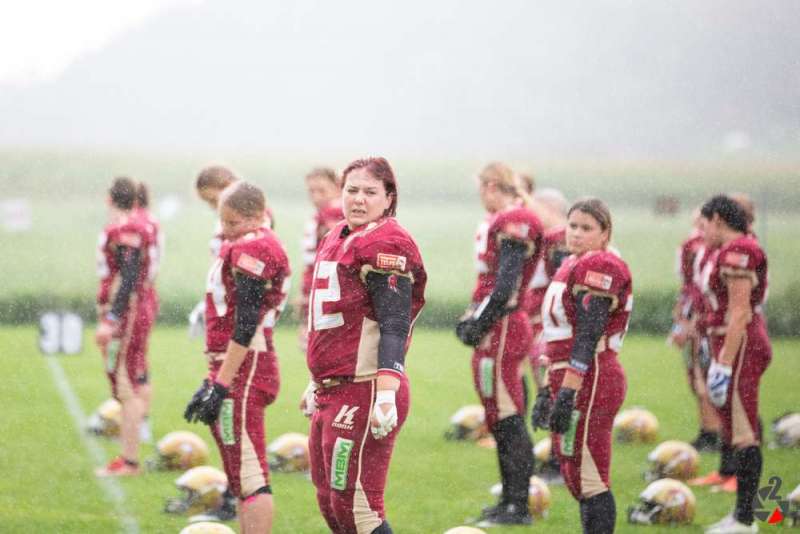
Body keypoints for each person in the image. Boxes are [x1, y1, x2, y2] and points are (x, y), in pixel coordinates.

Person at [302, 157, 427, 534]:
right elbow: (337, 323)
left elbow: (393, 322)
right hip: (335, 388)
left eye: (370, 192)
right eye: (351, 190)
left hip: (367, 387)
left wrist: (386, 394)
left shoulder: (386, 241)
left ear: (389, 198)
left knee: (358, 507)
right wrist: (316, 379)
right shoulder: (337, 234)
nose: (358, 199)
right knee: (331, 503)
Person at [184, 181, 290, 534]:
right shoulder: (245, 244)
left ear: (258, 216)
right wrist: (211, 379)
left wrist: (221, 384)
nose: (226, 231)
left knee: (251, 474)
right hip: (234, 366)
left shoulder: (256, 246)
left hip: (246, 367)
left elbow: (245, 323)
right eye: (223, 223)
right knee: (239, 475)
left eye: (233, 223)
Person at [455, 162, 543, 526]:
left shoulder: (515, 219)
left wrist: (480, 322)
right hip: (499, 324)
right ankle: (509, 499)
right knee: (498, 415)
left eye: (481, 189)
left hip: (505, 325)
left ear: (492, 186)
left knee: (507, 416)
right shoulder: (506, 219)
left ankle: (517, 504)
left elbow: (505, 286)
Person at [542, 198, 632, 534]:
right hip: (568, 373)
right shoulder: (571, 263)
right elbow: (557, 334)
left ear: (605, 233)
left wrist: (568, 389)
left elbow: (588, 333)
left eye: (586, 228)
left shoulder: (601, 265)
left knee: (590, 476)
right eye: (573, 226)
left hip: (591, 374)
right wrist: (544, 389)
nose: (576, 234)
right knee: (574, 473)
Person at [699, 195, 770, 534]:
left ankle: (745, 520)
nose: (702, 232)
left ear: (717, 219)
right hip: (732, 343)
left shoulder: (737, 250)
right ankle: (740, 515)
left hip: (739, 345)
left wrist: (724, 364)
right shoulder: (731, 249)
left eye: (704, 223)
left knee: (744, 432)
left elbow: (739, 312)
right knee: (736, 428)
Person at [94, 176, 157, 476]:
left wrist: (111, 318)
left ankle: (129, 460)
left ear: (109, 198)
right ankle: (133, 444)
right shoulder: (143, 222)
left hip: (130, 308)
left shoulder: (127, 227)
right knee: (137, 377)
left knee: (125, 384)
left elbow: (129, 274)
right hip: (141, 303)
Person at [668, 209, 722, 452]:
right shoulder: (693, 245)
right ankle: (708, 429)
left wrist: (690, 319)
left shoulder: (701, 247)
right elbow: (688, 286)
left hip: (704, 316)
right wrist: (682, 314)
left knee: (703, 373)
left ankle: (714, 432)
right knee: (696, 373)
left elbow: (698, 288)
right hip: (695, 312)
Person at [297, 167, 344, 351]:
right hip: (325, 291)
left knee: (321, 353)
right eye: (311, 191)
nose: (316, 196)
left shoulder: (333, 212)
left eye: (322, 190)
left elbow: (323, 263)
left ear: (338, 188)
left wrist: (308, 293)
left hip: (329, 293)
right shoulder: (322, 215)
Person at [132, 181, 163, 443]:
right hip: (148, 295)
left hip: (137, 298)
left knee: (134, 365)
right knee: (140, 359)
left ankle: (139, 423)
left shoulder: (135, 224)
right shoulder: (152, 221)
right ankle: (139, 421)